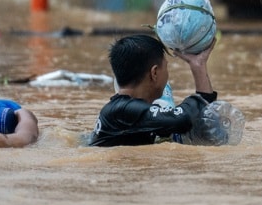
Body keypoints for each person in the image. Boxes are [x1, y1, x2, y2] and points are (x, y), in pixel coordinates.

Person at [86, 33, 218, 146]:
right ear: (154, 73)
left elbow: (199, 116)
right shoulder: (122, 110)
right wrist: (197, 67)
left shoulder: (126, 111)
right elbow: (182, 119)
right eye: (166, 67)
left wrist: (199, 65)